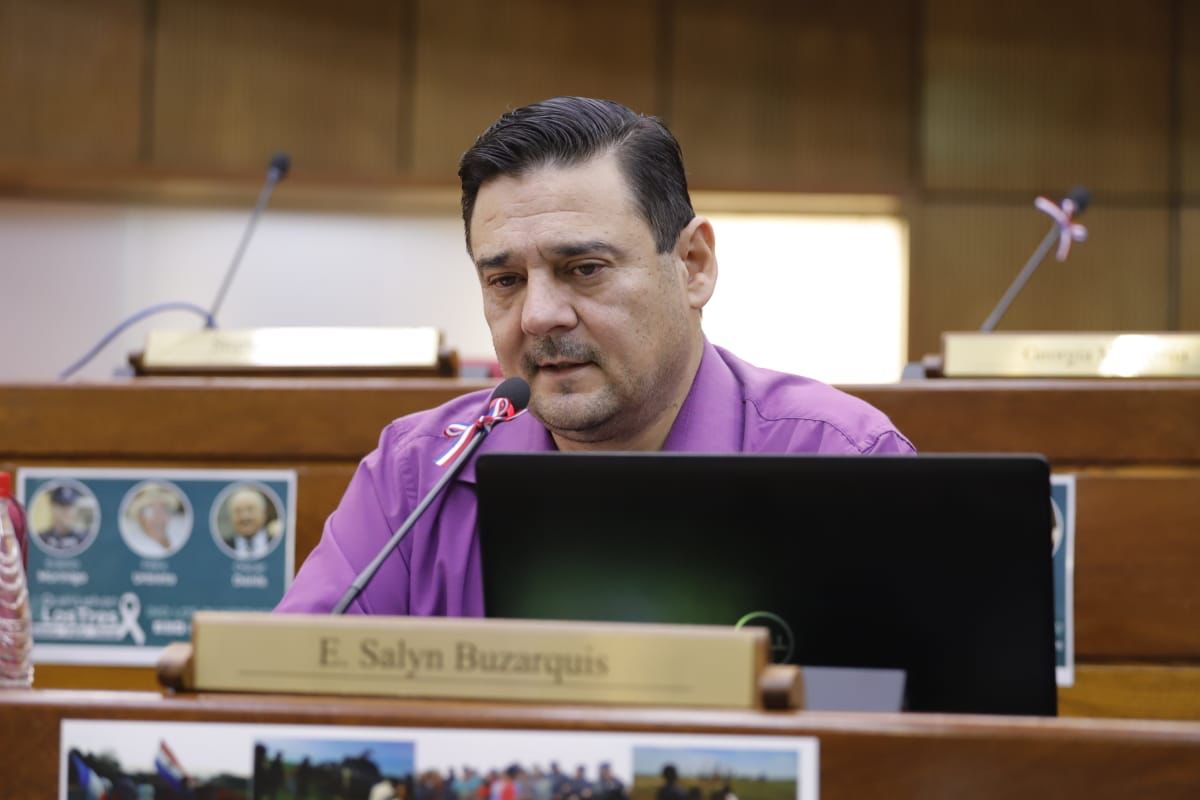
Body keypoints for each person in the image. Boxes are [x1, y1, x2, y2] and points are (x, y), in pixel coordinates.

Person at [277, 96, 914, 615]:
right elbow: (281, 693)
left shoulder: (844, 461)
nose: (537, 315)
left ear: (692, 266)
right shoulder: (419, 473)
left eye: (583, 269)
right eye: (505, 281)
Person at [122, 483, 189, 558]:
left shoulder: (178, 531)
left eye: (164, 510)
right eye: (152, 513)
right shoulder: (135, 542)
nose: (159, 518)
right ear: (140, 518)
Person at [223, 487, 276, 559]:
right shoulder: (223, 546)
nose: (244, 517)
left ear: (263, 514)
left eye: (250, 509)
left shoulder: (277, 543)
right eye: (238, 511)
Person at [37, 484, 89, 551]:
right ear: (53, 508)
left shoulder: (84, 539)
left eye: (71, 506)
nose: (68, 512)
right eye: (63, 506)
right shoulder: (42, 539)